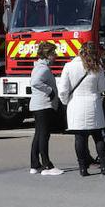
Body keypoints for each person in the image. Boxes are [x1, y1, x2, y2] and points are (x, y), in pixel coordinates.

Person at [58, 41, 105, 177]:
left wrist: (65, 102)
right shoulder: (97, 67)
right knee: (98, 137)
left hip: (76, 104)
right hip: (94, 104)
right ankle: (104, 167)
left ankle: (82, 168)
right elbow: (103, 88)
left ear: (79, 52)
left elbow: (63, 89)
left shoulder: (69, 66)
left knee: (80, 138)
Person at [28, 41, 62, 175]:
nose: (55, 55)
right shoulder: (43, 68)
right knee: (44, 135)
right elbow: (35, 82)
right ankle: (47, 165)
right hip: (43, 105)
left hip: (38, 105)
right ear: (48, 55)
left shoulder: (39, 66)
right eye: (53, 53)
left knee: (38, 135)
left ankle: (35, 164)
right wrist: (50, 91)